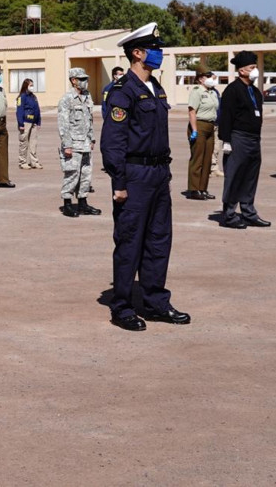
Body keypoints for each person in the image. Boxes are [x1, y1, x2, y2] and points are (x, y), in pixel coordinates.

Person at [102, 22, 190, 331]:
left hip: (158, 173)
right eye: (154, 49)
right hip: (135, 175)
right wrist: (119, 183)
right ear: (137, 53)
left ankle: (155, 302)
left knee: (158, 240)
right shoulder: (122, 91)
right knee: (130, 242)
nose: (159, 53)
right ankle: (123, 307)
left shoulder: (157, 87)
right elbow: (113, 142)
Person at [218, 51, 271, 229]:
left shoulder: (255, 91)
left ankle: (248, 212)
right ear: (241, 71)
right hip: (238, 137)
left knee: (250, 177)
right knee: (234, 176)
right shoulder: (232, 90)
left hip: (254, 139)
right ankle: (229, 214)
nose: (256, 70)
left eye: (256, 67)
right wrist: (225, 140)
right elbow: (225, 116)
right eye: (252, 68)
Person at [58, 68, 100, 217]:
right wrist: (67, 144)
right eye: (81, 79)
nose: (85, 82)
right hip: (73, 144)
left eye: (86, 79)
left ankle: (83, 203)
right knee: (72, 174)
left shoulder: (87, 96)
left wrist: (92, 138)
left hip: (86, 143)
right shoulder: (66, 99)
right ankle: (67, 204)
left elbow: (90, 119)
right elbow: (63, 124)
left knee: (86, 175)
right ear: (73, 81)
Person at [185, 68, 220, 200]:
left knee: (207, 159)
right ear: (200, 79)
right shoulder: (197, 91)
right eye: (209, 76)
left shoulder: (213, 92)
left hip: (210, 126)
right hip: (199, 125)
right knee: (197, 158)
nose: (212, 79)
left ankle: (203, 188)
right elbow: (192, 111)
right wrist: (194, 130)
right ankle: (194, 189)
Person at [16, 78, 42, 170]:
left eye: (33, 85)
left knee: (33, 143)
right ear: (25, 86)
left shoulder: (33, 97)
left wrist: (39, 121)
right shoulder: (22, 97)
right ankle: (22, 162)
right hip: (25, 122)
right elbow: (19, 111)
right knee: (24, 143)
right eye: (30, 85)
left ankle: (34, 162)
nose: (32, 87)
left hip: (34, 122)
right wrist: (20, 123)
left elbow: (37, 109)